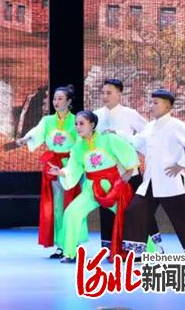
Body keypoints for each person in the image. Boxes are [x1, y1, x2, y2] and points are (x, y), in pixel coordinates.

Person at [121, 89, 185, 266]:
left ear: (167, 106)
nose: (152, 105)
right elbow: (138, 142)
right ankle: (141, 251)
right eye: (152, 102)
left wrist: (182, 164)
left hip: (170, 181)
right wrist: (118, 134)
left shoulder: (176, 125)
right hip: (151, 182)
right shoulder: (150, 126)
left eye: (156, 102)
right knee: (135, 210)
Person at [50, 111, 138, 263]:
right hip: (91, 189)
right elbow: (73, 168)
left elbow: (127, 152)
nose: (78, 127)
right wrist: (61, 172)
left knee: (130, 215)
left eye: (81, 123)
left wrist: (129, 171)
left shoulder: (108, 139)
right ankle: (69, 253)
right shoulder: (78, 148)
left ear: (92, 125)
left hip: (112, 187)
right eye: (76, 124)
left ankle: (146, 249)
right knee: (71, 212)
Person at [16, 85, 86, 258]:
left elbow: (81, 142)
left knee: (72, 205)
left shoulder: (76, 121)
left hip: (72, 165)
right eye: (54, 98)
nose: (56, 102)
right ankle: (61, 245)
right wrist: (26, 138)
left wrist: (75, 165)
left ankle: (74, 243)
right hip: (53, 165)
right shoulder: (47, 121)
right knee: (57, 205)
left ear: (69, 101)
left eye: (60, 99)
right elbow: (37, 133)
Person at [93, 78, 162, 253]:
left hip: (129, 170)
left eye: (109, 93)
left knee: (138, 208)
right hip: (105, 173)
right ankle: (110, 247)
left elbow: (147, 134)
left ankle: (153, 246)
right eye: (103, 93)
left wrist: (148, 155)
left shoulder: (130, 114)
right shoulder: (95, 115)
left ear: (119, 94)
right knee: (107, 208)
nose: (105, 96)